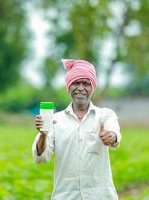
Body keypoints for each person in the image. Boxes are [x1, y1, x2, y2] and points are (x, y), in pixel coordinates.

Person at [32, 59, 122, 200]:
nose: (80, 88)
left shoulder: (105, 115)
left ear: (92, 87)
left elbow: (114, 133)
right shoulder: (55, 120)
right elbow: (41, 158)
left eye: (86, 83)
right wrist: (43, 135)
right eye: (75, 83)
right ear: (68, 88)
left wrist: (111, 136)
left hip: (101, 196)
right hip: (66, 196)